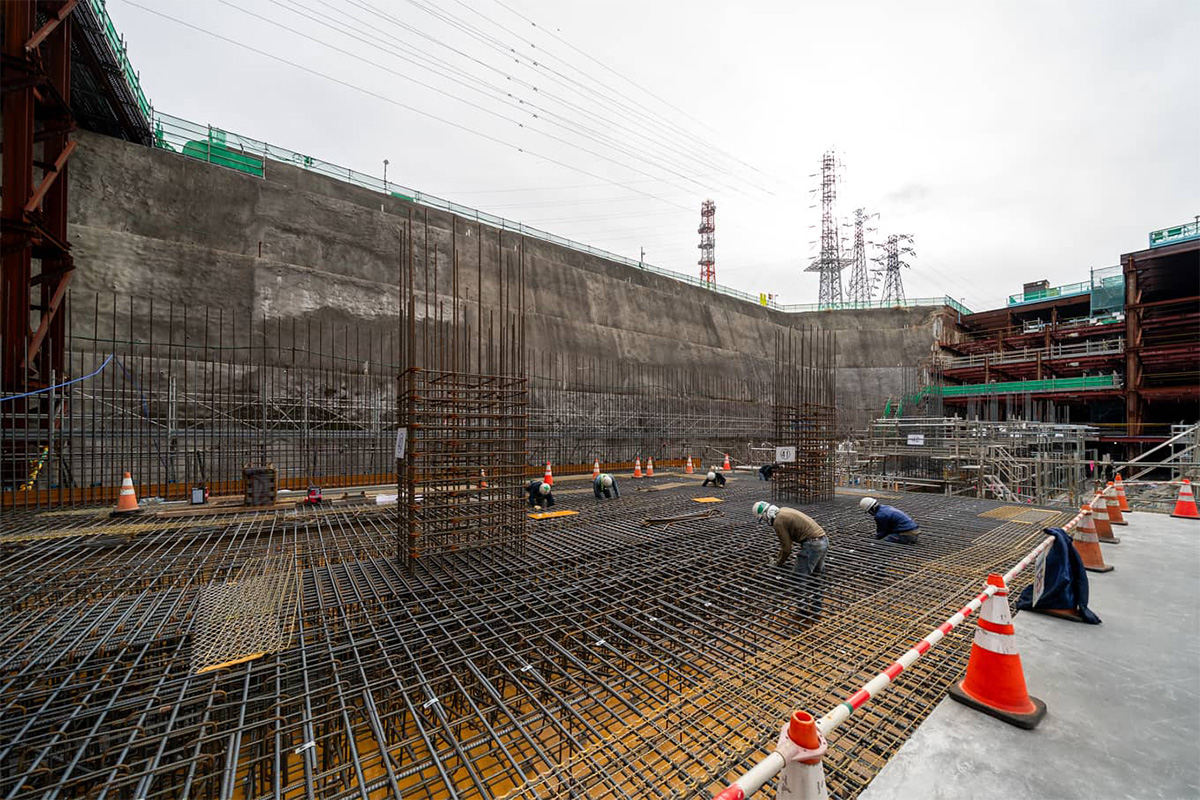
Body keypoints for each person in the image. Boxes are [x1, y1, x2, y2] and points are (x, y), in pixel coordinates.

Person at [754, 501, 829, 575]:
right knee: (816, 574)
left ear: (764, 515)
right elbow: (786, 545)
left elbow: (787, 549)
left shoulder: (778, 522)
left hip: (813, 544)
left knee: (799, 577)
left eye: (762, 519)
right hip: (823, 540)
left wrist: (778, 562)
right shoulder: (783, 510)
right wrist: (779, 556)